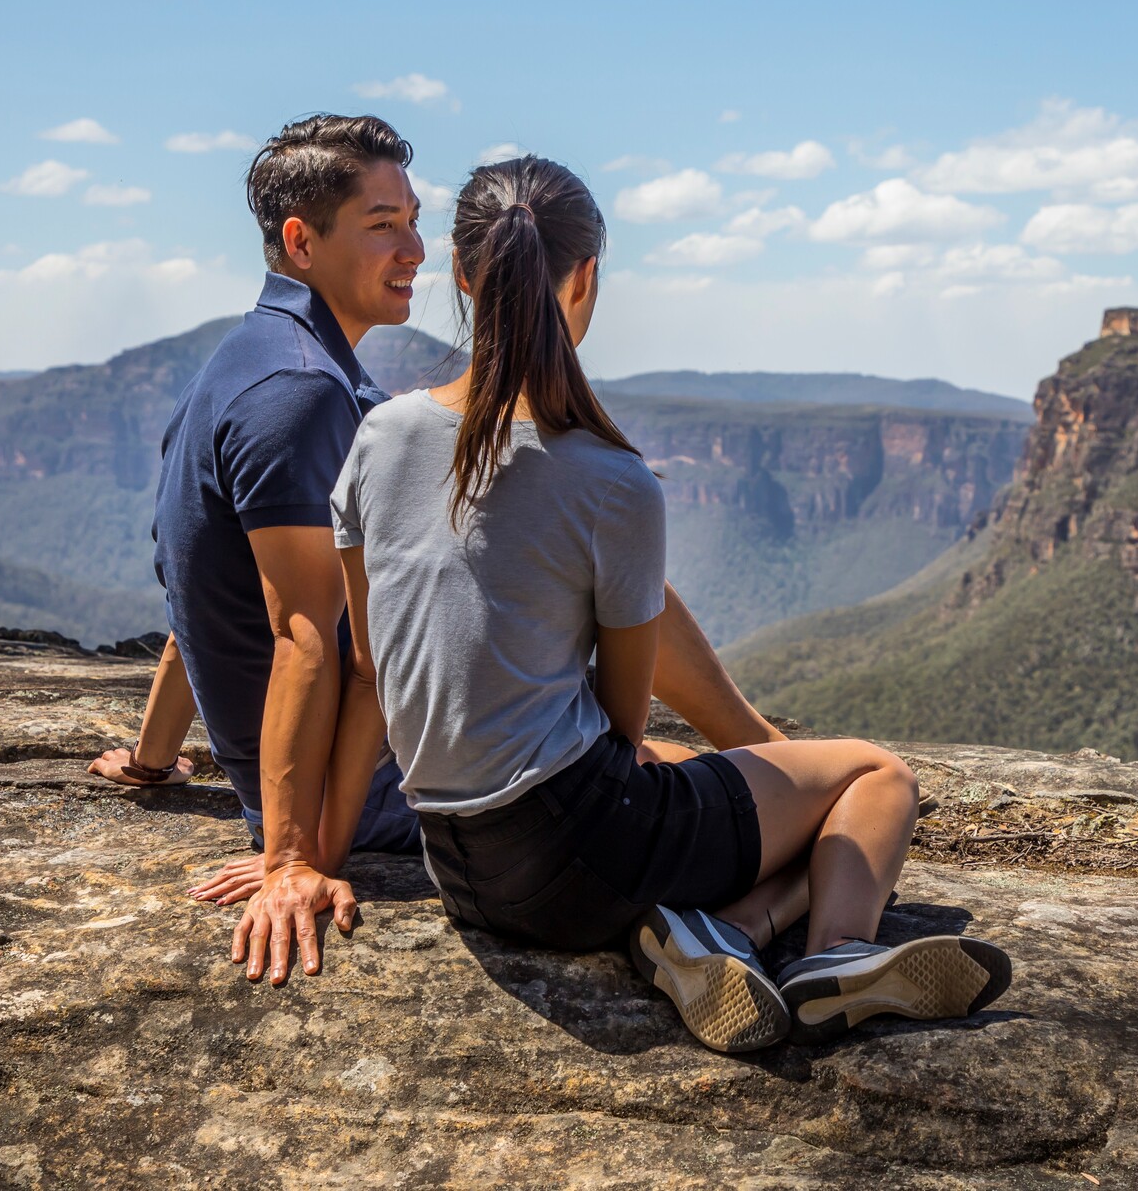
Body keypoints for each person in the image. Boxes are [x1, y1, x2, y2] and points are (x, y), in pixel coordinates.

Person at [303, 154, 1012, 1051]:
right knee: (874, 780)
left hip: (459, 863)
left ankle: (709, 931)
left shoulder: (381, 435)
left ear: (458, 273)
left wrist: (305, 859)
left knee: (701, 772)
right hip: (583, 863)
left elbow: (370, 667)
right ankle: (829, 952)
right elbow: (623, 725)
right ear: (586, 278)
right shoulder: (610, 479)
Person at [93, 115, 792, 950]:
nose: (414, 251)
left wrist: (151, 760)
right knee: (746, 778)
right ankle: (769, 764)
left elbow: (198, 590)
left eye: (416, 221)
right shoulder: (304, 394)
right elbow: (302, 634)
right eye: (382, 226)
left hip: (382, 752)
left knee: (592, 559)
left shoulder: (247, 362)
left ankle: (765, 753)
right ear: (300, 242)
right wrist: (290, 857)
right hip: (382, 790)